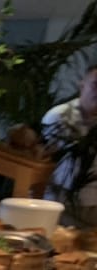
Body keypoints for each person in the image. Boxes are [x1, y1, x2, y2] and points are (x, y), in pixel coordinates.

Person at [43, 66, 97, 221]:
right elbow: (43, 160)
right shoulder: (58, 117)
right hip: (59, 203)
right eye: (96, 85)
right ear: (82, 85)